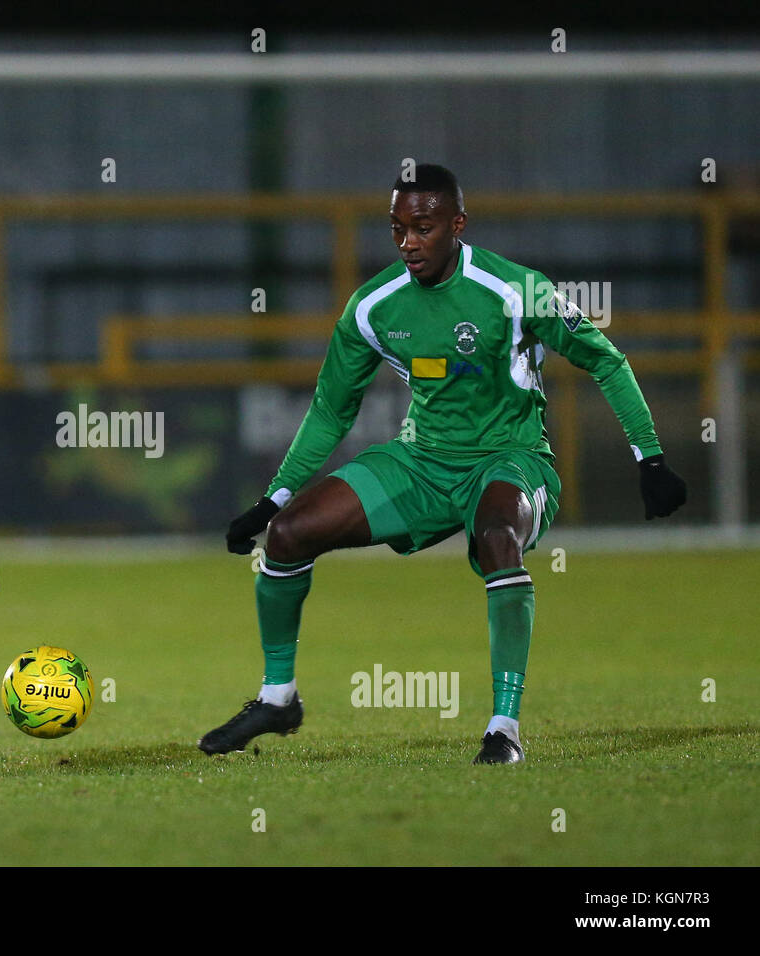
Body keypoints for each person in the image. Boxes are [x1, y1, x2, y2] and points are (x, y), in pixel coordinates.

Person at [207, 164, 686, 764]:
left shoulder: (517, 289)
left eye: (424, 227)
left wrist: (650, 458)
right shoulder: (374, 307)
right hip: (422, 462)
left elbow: (606, 361)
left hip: (511, 459)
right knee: (288, 535)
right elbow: (332, 410)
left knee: (495, 538)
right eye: (398, 228)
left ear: (457, 225)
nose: (409, 241)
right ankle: (278, 698)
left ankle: (504, 728)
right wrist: (273, 499)